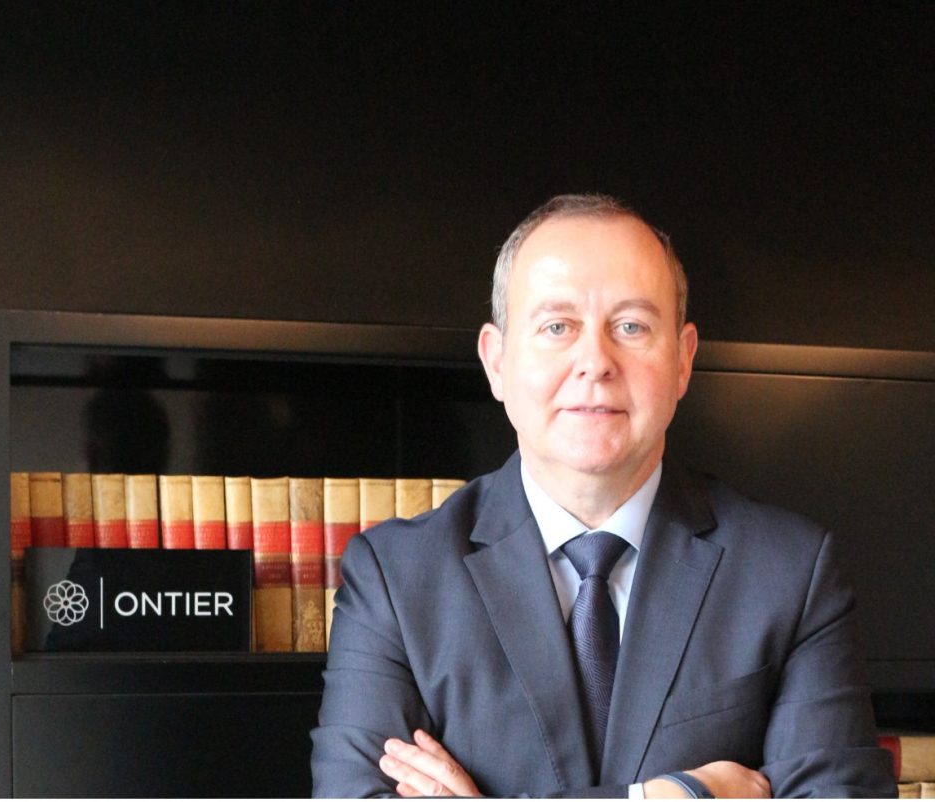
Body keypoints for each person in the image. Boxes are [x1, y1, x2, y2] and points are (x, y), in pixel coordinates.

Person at [310, 193, 895, 798]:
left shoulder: (792, 573)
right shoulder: (394, 578)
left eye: (631, 327)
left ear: (683, 360)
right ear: (497, 361)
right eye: (557, 327)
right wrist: (672, 796)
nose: (595, 361)